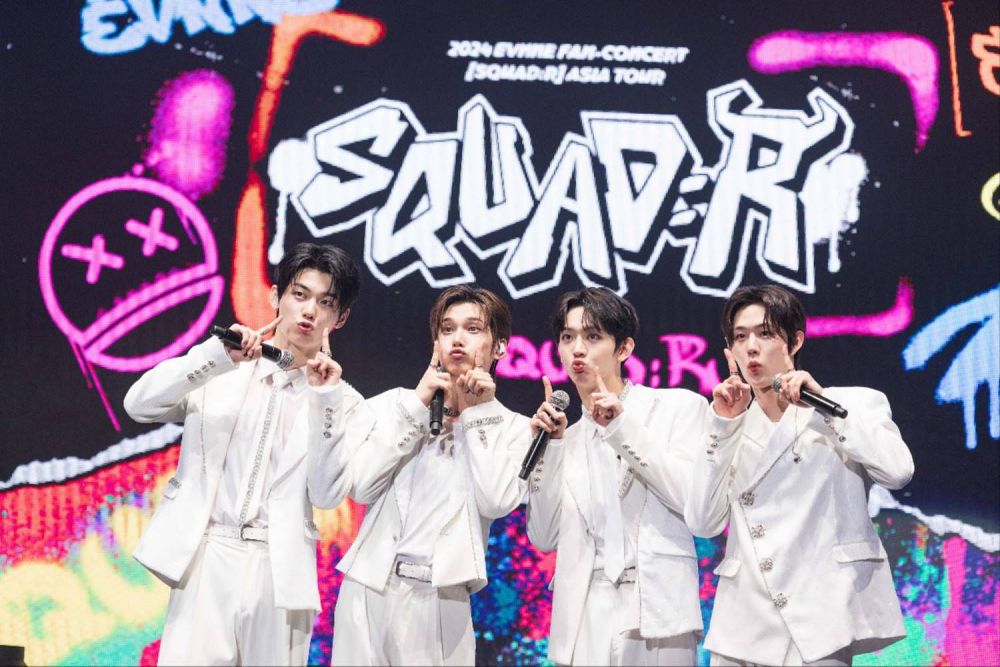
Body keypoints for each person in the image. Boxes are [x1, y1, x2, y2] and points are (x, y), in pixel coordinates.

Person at [125, 242, 373, 665]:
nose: (309, 311)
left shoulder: (344, 402)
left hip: (280, 568)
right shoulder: (223, 368)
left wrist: (324, 400)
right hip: (207, 555)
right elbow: (138, 404)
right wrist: (216, 357)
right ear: (276, 296)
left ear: (341, 318)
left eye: (325, 302)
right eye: (300, 294)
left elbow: (327, 494)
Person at [685, 284, 914, 666]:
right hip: (744, 621)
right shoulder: (726, 425)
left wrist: (826, 407)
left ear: (795, 341)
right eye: (740, 337)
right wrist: (723, 427)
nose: (751, 348)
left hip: (822, 615)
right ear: (729, 351)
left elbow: (898, 471)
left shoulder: (848, 404)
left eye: (765, 333)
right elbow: (703, 522)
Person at [331, 285, 530, 666]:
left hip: (442, 598)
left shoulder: (513, 428)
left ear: (500, 347)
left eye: (473, 329)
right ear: (436, 341)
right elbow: (361, 487)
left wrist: (478, 414)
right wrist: (417, 405)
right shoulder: (395, 405)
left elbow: (496, 501)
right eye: (447, 328)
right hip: (368, 587)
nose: (458, 338)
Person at [526, 287, 708, 666]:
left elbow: (690, 502)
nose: (578, 349)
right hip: (584, 613)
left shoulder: (677, 408)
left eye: (593, 336)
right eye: (568, 337)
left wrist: (621, 429)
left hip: (658, 606)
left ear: (624, 348)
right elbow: (543, 537)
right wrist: (552, 449)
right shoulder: (564, 438)